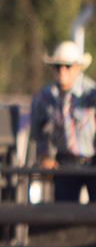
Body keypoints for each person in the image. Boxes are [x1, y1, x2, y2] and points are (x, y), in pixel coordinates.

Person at [29, 40, 96, 203]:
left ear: (77, 68)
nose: (62, 71)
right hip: (64, 164)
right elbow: (38, 129)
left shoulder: (90, 93)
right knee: (63, 214)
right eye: (58, 66)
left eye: (67, 66)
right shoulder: (45, 97)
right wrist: (45, 155)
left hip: (92, 163)